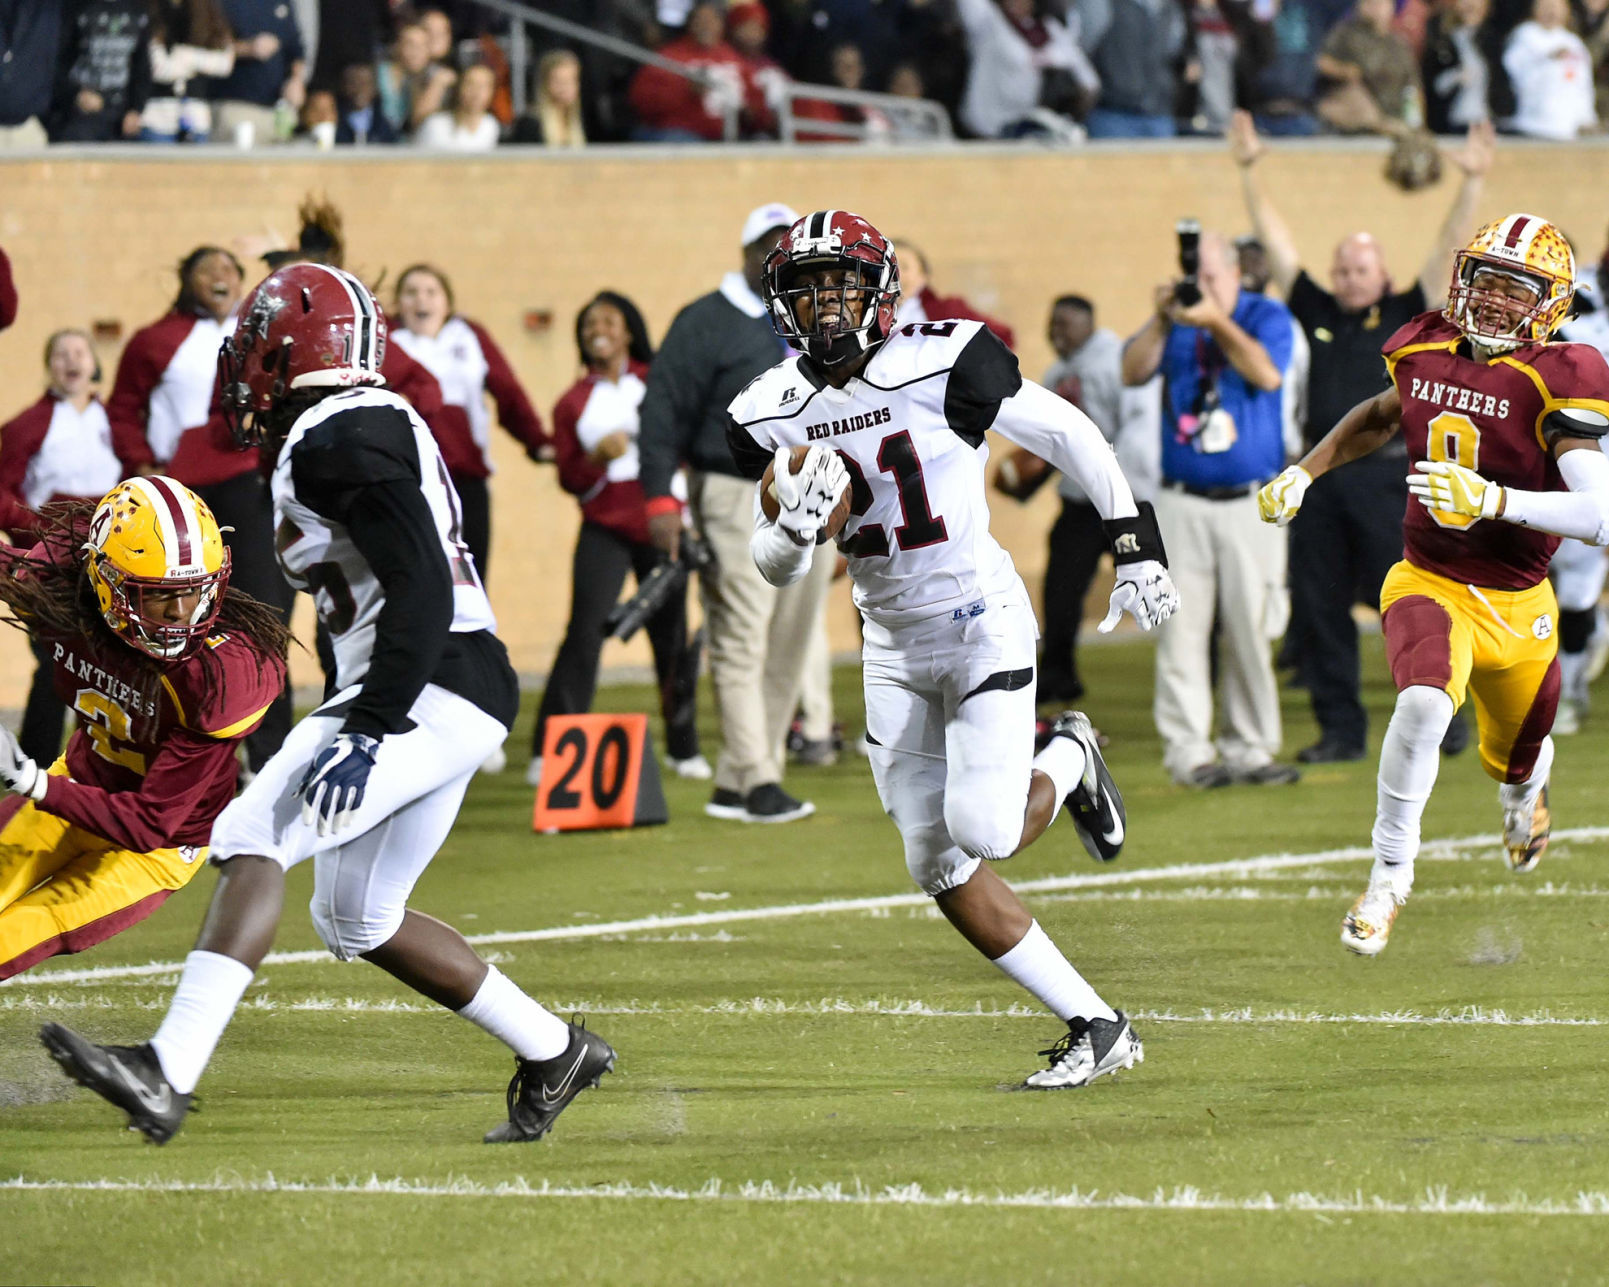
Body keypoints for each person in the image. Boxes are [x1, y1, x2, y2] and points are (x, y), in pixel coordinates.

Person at [40, 263, 614, 1146]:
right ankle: (553, 1050)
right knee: (356, 916)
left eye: (251, 355)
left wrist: (372, 721)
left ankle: (167, 1070)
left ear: (283, 353)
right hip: (447, 685)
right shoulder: (347, 425)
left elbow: (420, 581)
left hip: (424, 683)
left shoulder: (338, 436)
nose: (241, 378)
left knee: (249, 834)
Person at [731, 209, 1178, 1086]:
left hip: (978, 616)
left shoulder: (942, 357)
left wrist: (1133, 538)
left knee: (984, 828)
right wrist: (791, 523)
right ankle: (1096, 1023)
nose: (826, 306)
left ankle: (1068, 751)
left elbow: (1067, 433)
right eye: (808, 290)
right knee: (934, 860)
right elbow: (777, 567)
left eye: (842, 286)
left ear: (878, 291)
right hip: (890, 641)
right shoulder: (769, 407)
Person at [1258, 214, 1609, 955]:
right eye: (1484, 280)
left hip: (1517, 603)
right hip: (1429, 577)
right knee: (1419, 703)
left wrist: (1491, 500)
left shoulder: (1561, 374)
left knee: (1515, 754)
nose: (1490, 301)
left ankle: (1523, 791)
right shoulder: (1421, 344)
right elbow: (1380, 415)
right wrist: (1304, 471)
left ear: (1548, 303)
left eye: (1515, 291)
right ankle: (1388, 878)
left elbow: (1601, 515)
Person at [1232, 109, 1492, 761]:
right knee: (1318, 610)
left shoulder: (1409, 309)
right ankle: (1340, 732)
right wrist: (1249, 169)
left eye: (1359, 269)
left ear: (1381, 274)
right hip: (1319, 477)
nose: (1348, 278)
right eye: (1341, 269)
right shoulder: (1314, 308)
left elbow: (1446, 253)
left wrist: (1470, 184)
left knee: (1411, 605)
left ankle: (1445, 717)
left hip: (1388, 478)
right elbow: (1277, 240)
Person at [0, 477, 289, 979]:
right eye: (158, 596)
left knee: (14, 934)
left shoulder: (221, 675)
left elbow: (149, 824)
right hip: (77, 785)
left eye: (196, 593)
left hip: (152, 848)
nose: (182, 615)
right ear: (104, 581)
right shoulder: (58, 592)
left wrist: (29, 780)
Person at [638, 202, 830, 823]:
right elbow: (661, 409)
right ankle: (758, 780)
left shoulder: (815, 321)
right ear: (747, 253)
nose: (781, 260)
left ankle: (738, 775)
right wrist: (660, 496)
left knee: (792, 639)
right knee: (742, 633)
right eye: (769, 248)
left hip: (817, 489)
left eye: (791, 249)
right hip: (734, 490)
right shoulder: (706, 321)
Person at [1121, 228, 1300, 788]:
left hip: (1252, 502)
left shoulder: (1264, 314)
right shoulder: (1174, 320)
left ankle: (1250, 748)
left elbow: (1267, 374)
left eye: (1210, 276)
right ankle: (1189, 753)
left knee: (1251, 628)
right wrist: (1161, 319)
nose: (1200, 286)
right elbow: (1132, 370)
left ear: (1233, 273)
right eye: (1193, 276)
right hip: (1181, 501)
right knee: (1181, 630)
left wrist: (1215, 323)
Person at [107, 245, 295, 775]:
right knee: (167, 626)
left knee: (262, 619)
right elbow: (122, 410)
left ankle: (269, 758)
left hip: (246, 487)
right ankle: (172, 756)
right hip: (177, 500)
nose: (221, 276)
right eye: (207, 269)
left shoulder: (257, 336)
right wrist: (140, 464)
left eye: (231, 270)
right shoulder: (153, 341)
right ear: (186, 281)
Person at [530, 292, 707, 784]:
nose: (598, 329)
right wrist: (595, 460)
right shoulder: (572, 400)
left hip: (661, 524)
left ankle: (684, 748)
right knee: (584, 633)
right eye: (588, 323)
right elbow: (568, 475)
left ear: (629, 330)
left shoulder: (656, 384)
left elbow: (686, 447)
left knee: (671, 639)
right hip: (604, 527)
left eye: (608, 320)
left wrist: (686, 510)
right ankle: (551, 750)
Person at [0, 331, 130, 766]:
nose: (70, 361)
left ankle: (103, 760)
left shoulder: (114, 422)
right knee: (55, 662)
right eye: (60, 354)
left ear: (93, 363)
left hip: (112, 560)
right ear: (47, 365)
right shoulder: (26, 426)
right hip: (51, 566)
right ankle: (33, 763)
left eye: (79, 352)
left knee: (113, 664)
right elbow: (4, 495)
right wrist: (43, 533)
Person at [995, 295, 1125, 704]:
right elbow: (1054, 443)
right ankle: (1058, 674)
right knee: (1060, 591)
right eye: (1053, 325)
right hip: (1080, 503)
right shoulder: (1056, 375)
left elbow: (1130, 431)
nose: (1056, 333)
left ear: (1089, 324)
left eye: (1065, 324)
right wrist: (1026, 481)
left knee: (1159, 581)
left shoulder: (1115, 363)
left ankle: (1205, 663)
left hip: (1128, 501)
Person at [388, 262, 549, 584]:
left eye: (431, 292)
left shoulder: (469, 336)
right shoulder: (388, 341)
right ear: (398, 303)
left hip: (465, 482)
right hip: (407, 482)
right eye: (411, 293)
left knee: (469, 582)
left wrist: (538, 441)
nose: (422, 301)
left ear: (447, 302)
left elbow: (508, 391)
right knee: (413, 581)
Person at [953, 0, 1098, 139]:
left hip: (1034, 129)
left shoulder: (1051, 28)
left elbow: (1089, 83)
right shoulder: (988, 22)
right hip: (986, 129)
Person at [1076, 0, 1188, 137]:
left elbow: (1174, 53)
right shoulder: (1100, 4)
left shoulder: (1169, 7)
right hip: (1112, 114)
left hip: (1160, 115)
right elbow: (1079, 51)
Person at [1314, 0, 1424, 134]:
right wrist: (1343, 71)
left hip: (1394, 115)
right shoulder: (1345, 34)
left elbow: (1413, 88)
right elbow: (1320, 62)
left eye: (1381, 3)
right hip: (1355, 118)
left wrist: (1418, 123)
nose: (1375, 7)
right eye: (1370, 2)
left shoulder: (1398, 44)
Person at [48, 0, 151, 142]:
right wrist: (76, 94)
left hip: (121, 119)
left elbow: (142, 67)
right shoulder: (75, 7)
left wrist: (136, 109)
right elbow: (55, 62)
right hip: (78, 118)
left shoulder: (137, 10)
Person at [210, 0, 307, 142]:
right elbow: (208, 43)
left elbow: (296, 49)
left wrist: (296, 80)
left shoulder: (282, 3)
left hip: (278, 111)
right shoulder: (223, 3)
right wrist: (248, 48)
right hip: (236, 107)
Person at [142, 0, 235, 143]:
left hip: (196, 117)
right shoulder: (152, 10)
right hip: (157, 117)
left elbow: (224, 63)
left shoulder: (207, 9)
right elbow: (158, 69)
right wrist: (197, 65)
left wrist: (186, 57)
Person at [1503, 0, 1597, 138]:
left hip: (1570, 128)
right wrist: (1548, 58)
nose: (1552, 12)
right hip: (1532, 125)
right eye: (1546, 7)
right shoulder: (1524, 36)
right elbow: (1516, 74)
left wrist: (1587, 117)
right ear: (1535, 9)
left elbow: (1583, 84)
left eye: (1557, 7)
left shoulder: (1574, 42)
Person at [376, 19, 455, 137]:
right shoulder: (379, 74)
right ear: (396, 46)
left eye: (422, 46)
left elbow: (418, 123)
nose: (416, 51)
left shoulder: (429, 77)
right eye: (410, 44)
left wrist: (437, 83)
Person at [509, 48, 586, 146]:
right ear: (545, 83)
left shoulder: (582, 121)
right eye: (559, 81)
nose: (566, 87)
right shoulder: (530, 123)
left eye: (572, 80)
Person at [414, 61, 499, 149]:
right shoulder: (435, 125)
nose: (477, 92)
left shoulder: (491, 125)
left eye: (484, 86)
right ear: (459, 88)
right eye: (470, 84)